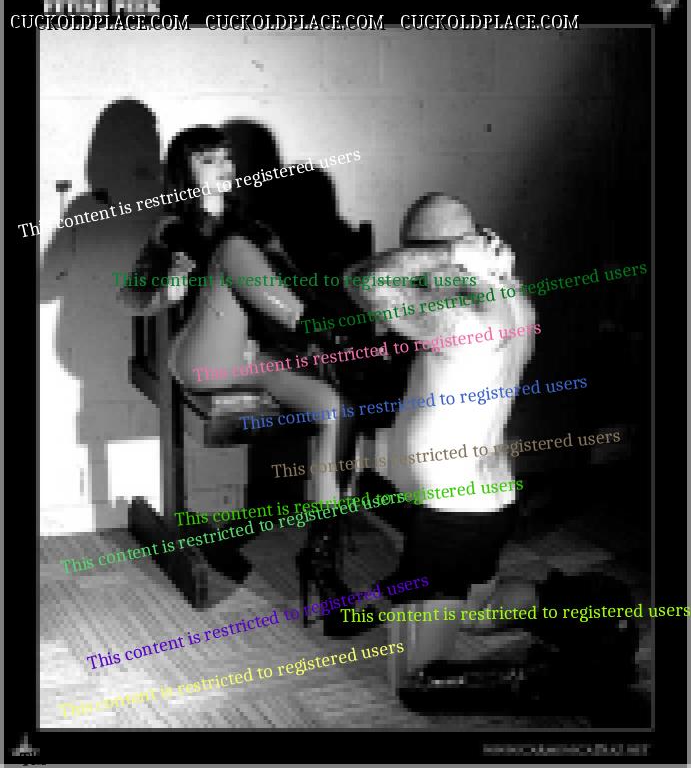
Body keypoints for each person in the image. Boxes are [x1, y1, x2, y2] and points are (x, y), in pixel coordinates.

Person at [121, 126, 376, 634]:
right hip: (204, 359)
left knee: (335, 408)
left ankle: (322, 569)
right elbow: (132, 297)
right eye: (208, 160)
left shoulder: (256, 226)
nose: (223, 167)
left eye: (226, 158)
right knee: (234, 250)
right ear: (184, 171)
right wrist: (169, 286)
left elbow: (288, 283)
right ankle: (324, 332)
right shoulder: (171, 228)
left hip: (258, 356)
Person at [345, 193, 538, 684]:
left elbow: (361, 280)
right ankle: (563, 601)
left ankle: (543, 677)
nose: (415, 273)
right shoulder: (515, 302)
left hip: (451, 514)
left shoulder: (460, 320)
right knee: (473, 613)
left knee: (414, 679)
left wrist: (448, 254)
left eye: (418, 255)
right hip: (491, 502)